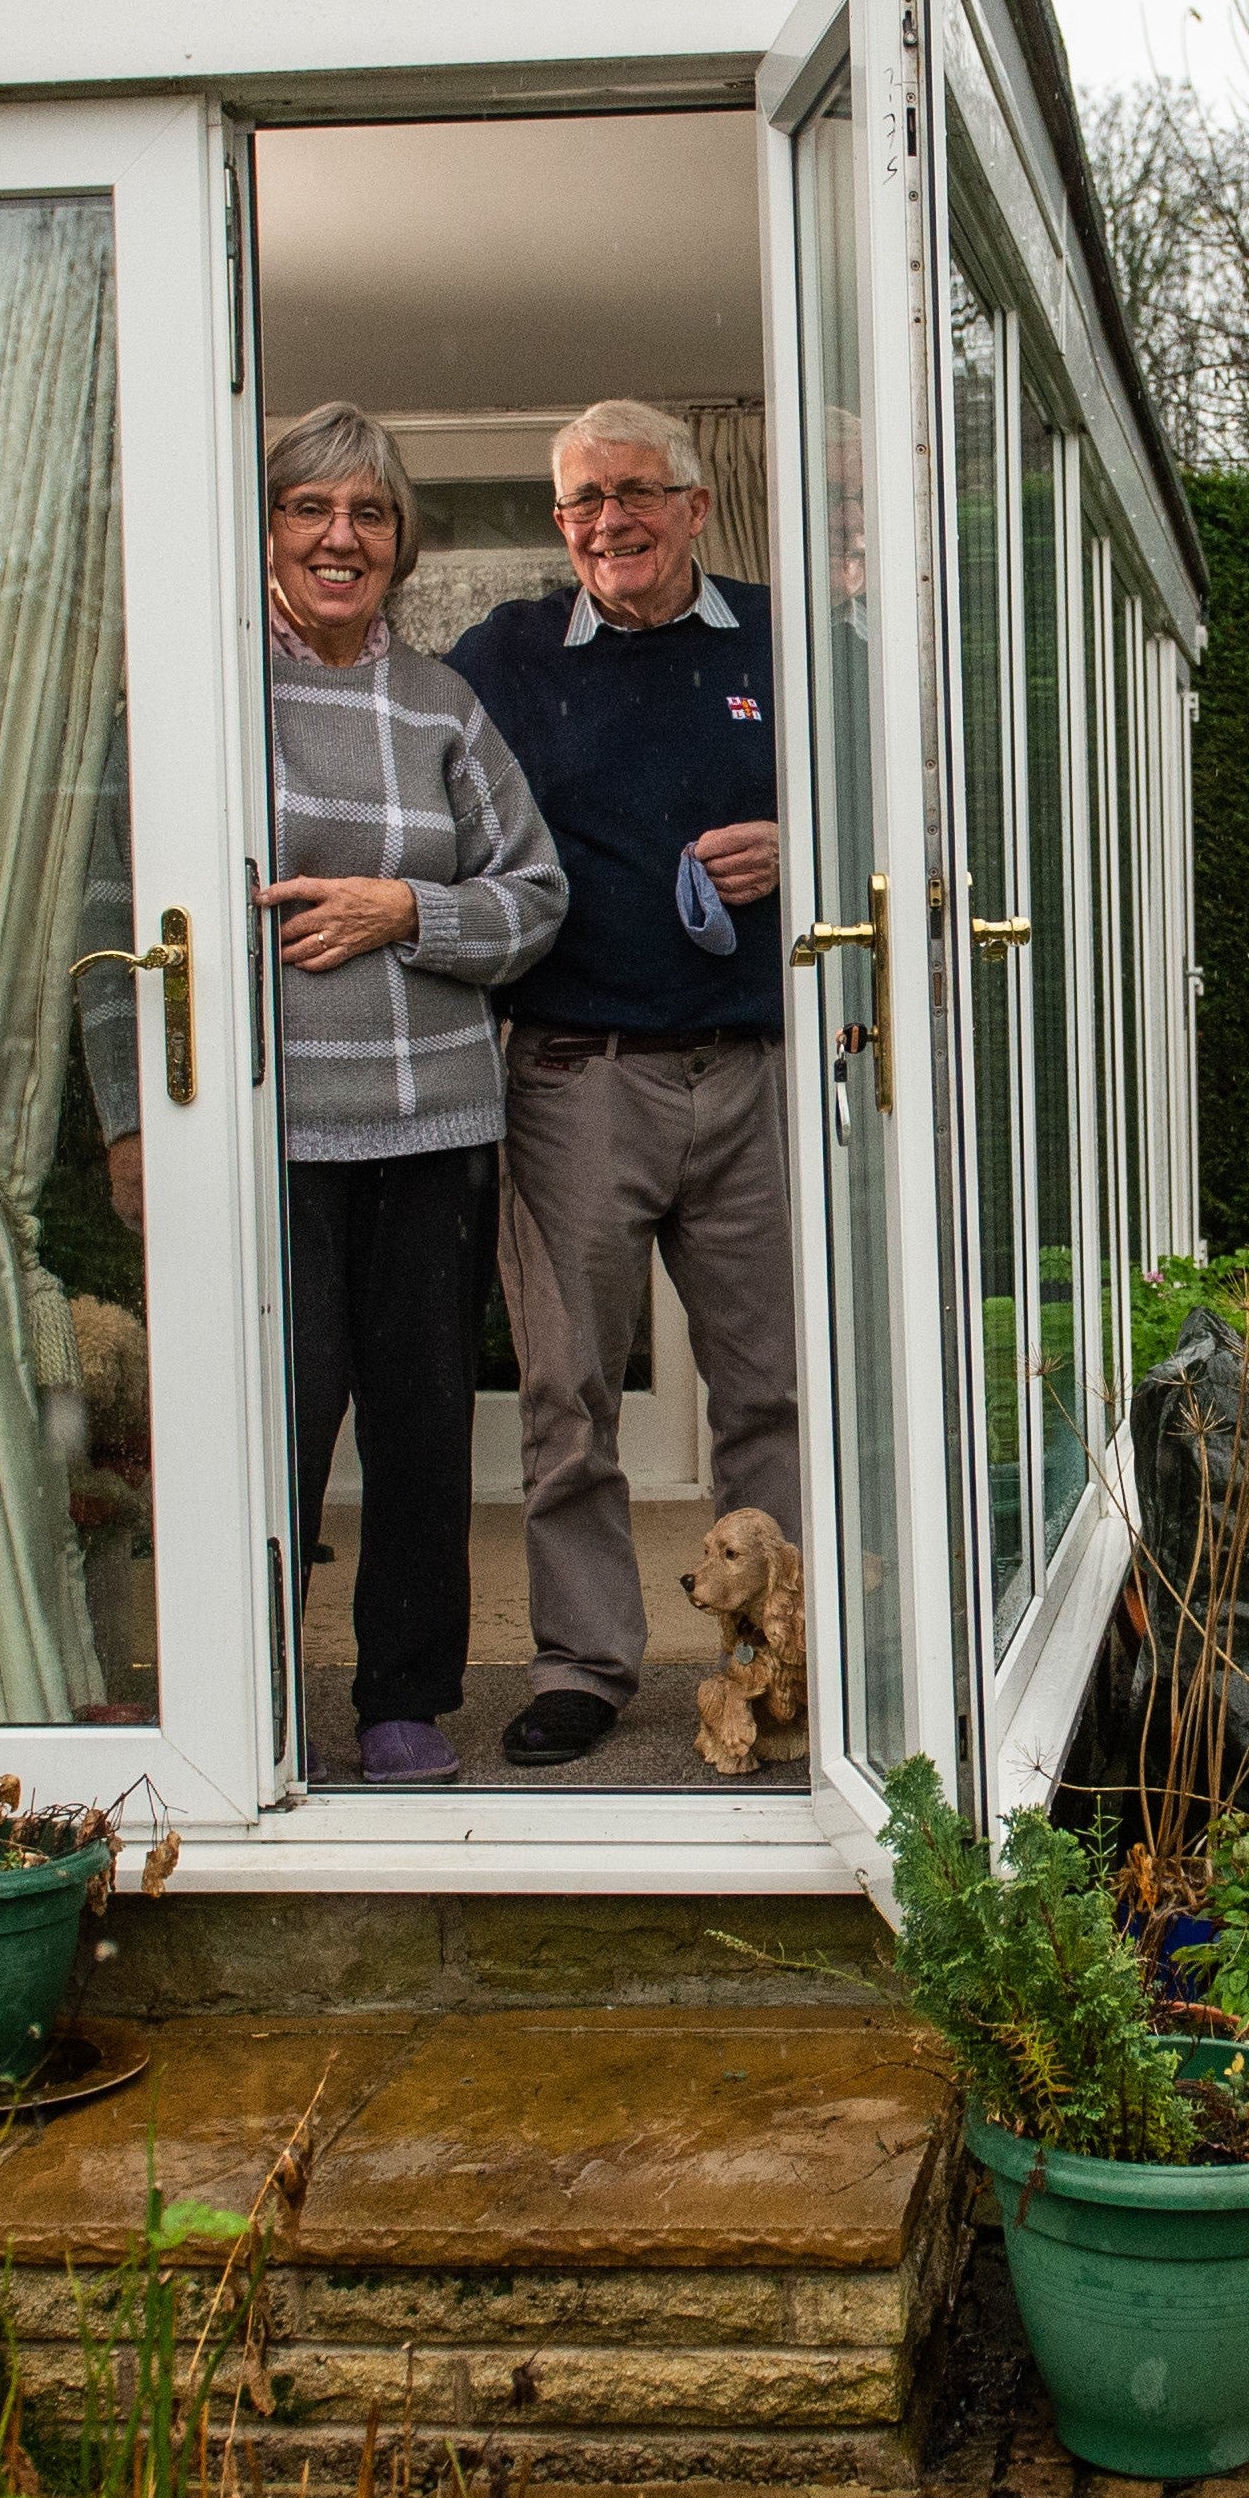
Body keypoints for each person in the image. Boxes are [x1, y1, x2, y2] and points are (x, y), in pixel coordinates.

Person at [82, 400, 563, 1784]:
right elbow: (122, 922)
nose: (339, 538)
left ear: (400, 546)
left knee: (419, 1428)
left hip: (434, 1126)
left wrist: (403, 908)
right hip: (260, 1129)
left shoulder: (440, 705)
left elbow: (533, 897)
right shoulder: (197, 701)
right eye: (309, 510)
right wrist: (130, 1113)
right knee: (266, 1425)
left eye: (367, 515)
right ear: (265, 533)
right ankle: (242, 1694)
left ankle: (401, 1700)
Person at [442, 399, 795, 1770]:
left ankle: (770, 1661)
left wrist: (804, 845)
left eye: (636, 493)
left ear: (696, 506)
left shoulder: (789, 646)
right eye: (582, 501)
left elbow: (910, 809)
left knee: (769, 1385)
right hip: (576, 1072)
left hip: (753, 1068)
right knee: (569, 1395)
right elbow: (442, 823)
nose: (609, 523)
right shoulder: (504, 660)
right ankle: (586, 1662)